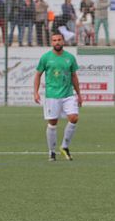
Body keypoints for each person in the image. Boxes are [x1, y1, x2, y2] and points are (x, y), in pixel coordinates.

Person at [33, 32, 82, 161]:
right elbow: (38, 75)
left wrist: (79, 94)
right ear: (51, 42)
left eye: (59, 40)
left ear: (63, 41)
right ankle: (52, 152)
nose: (57, 42)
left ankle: (64, 147)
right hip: (52, 95)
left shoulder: (70, 58)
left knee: (74, 118)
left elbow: (74, 76)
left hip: (68, 94)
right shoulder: (46, 58)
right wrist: (36, 92)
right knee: (53, 123)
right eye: (54, 40)